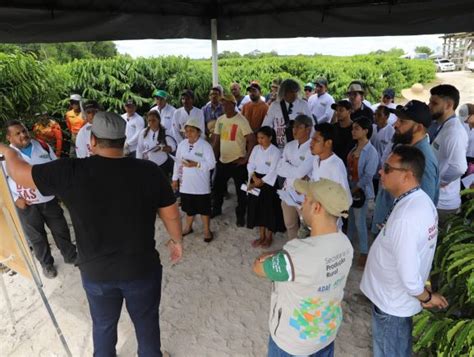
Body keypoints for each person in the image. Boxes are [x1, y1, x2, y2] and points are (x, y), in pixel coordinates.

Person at [0, 111, 183, 356]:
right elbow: (171, 213)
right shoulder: (149, 171)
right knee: (146, 323)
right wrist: (176, 240)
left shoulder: (71, 171)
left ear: (92, 141)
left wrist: (9, 150)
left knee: (104, 326)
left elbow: (18, 172)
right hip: (141, 268)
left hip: (97, 273)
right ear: (123, 139)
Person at [361, 145, 449, 357]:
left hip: (392, 304)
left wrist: (426, 297)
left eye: (388, 168)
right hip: (395, 300)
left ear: (407, 175)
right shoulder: (419, 200)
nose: (381, 172)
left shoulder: (407, 217)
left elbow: (409, 278)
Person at [253, 178, 353, 357]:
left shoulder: (296, 254)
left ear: (317, 208)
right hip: (325, 336)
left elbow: (259, 268)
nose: (301, 204)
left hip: (291, 344)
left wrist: (270, 255)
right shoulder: (346, 244)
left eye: (305, 199)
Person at [3, 120, 77, 279]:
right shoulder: (5, 157)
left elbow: (55, 168)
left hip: (49, 199)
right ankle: (47, 264)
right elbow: (2, 182)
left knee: (61, 229)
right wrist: (16, 198)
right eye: (18, 133)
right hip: (27, 205)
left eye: (24, 131)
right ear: (9, 138)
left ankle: (70, 255)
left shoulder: (43, 146)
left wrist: (59, 189)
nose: (23, 135)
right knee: (36, 237)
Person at [371, 100, 440, 236]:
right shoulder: (403, 147)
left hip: (397, 236)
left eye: (402, 121)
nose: (395, 124)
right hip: (386, 228)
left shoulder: (424, 160)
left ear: (419, 128)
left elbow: (423, 208)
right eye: (397, 120)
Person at [211, 94, 255, 226]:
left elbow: (251, 139)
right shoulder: (220, 120)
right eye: (222, 104)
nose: (223, 106)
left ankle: (240, 215)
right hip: (222, 161)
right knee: (217, 188)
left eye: (226, 104)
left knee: (241, 191)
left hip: (237, 162)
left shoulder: (241, 120)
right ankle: (217, 209)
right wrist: (214, 158)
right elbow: (216, 140)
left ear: (233, 104)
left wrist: (246, 158)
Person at [429, 84, 468, 227]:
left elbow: (459, 167)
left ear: (449, 105)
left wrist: (439, 182)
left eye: (434, 103)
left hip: (444, 204)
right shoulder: (444, 126)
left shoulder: (454, 132)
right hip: (438, 199)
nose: (429, 106)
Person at [172, 118, 216, 242]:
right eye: (186, 131)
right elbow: (177, 163)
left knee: (204, 209)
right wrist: (175, 179)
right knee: (188, 208)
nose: (188, 133)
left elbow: (212, 164)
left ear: (198, 132)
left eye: (191, 131)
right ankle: (188, 227)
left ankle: (207, 230)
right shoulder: (182, 144)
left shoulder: (205, 145)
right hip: (186, 184)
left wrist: (196, 164)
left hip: (201, 184)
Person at [347, 117, 378, 267]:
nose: (353, 131)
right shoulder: (354, 148)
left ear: (366, 131)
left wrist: (354, 188)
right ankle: (347, 247)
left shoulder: (371, 151)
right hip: (352, 189)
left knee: (359, 222)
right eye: (353, 128)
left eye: (356, 128)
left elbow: (368, 175)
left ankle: (364, 252)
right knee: (351, 220)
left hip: (362, 192)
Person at [276, 115, 313, 240]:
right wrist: (296, 170)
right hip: (288, 191)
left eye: (299, 127)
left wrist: (289, 167)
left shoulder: (312, 147)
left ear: (308, 129)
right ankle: (293, 250)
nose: (294, 130)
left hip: (304, 195)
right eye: (294, 127)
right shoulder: (289, 145)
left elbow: (300, 172)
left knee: (306, 227)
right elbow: (279, 169)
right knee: (290, 224)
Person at [246, 126, 284, 248]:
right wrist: (254, 177)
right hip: (256, 178)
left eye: (262, 138)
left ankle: (269, 237)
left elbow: (274, 170)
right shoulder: (256, 149)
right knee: (257, 209)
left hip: (269, 184)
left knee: (269, 210)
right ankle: (261, 236)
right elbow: (250, 164)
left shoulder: (275, 151)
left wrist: (261, 181)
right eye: (258, 138)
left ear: (270, 138)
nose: (260, 141)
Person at [262, 79, 313, 150]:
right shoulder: (275, 105)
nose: (294, 94)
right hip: (279, 147)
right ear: (284, 92)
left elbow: (312, 125)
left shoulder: (303, 105)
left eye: (296, 91)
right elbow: (266, 126)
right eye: (291, 92)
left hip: (298, 146)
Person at [136, 111, 177, 177]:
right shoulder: (143, 132)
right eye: (149, 120)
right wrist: (139, 163)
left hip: (162, 165)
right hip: (148, 165)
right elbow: (140, 149)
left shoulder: (165, 132)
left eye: (154, 120)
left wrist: (161, 148)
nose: (151, 122)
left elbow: (173, 147)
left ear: (159, 120)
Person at [370, 105, 395, 195]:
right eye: (375, 114)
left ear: (386, 116)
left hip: (381, 169)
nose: (376, 117)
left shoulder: (391, 132)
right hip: (369, 166)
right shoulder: (371, 128)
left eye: (379, 115)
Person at [331, 100, 355, 166]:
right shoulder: (332, 128)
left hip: (348, 167)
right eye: (336, 110)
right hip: (332, 165)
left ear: (349, 111)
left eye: (341, 110)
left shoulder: (355, 129)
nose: (337, 113)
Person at [65, 93, 85, 158]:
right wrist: (73, 133)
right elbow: (68, 125)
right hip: (74, 135)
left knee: (83, 153)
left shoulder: (84, 114)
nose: (74, 104)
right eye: (72, 102)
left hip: (84, 135)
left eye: (76, 102)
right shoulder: (68, 114)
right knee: (72, 153)